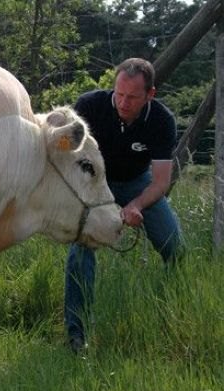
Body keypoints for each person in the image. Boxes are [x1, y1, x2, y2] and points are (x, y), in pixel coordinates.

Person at [64, 57, 184, 352]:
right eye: (119, 94)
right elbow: (65, 156)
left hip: (137, 182)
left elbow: (161, 182)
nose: (123, 102)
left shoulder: (162, 121)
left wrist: (136, 206)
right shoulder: (89, 106)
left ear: (150, 94)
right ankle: (77, 335)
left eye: (132, 97)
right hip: (95, 183)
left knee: (176, 249)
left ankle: (171, 316)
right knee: (81, 250)